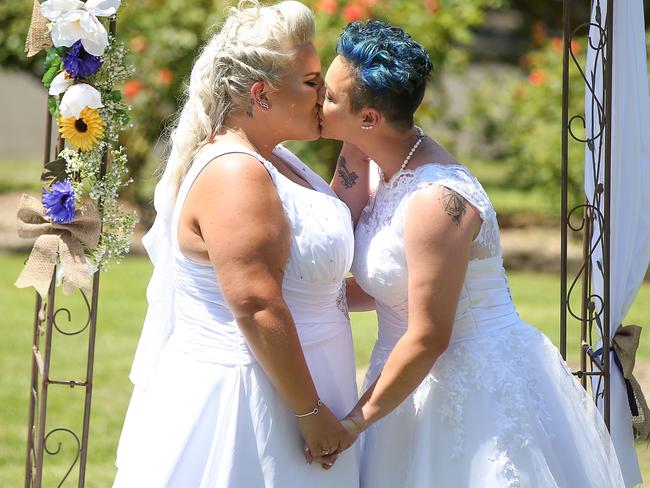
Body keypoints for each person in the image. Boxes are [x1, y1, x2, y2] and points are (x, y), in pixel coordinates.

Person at [321, 20, 626, 487]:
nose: (316, 103)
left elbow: (428, 337)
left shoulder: (437, 201)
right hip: (403, 380)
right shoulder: (381, 162)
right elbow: (339, 241)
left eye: (328, 97)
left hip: (463, 385)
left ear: (370, 117)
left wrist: (353, 423)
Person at [113, 2, 358, 486]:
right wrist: (309, 413)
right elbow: (255, 302)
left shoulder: (280, 159)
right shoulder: (236, 171)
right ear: (261, 93)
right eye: (311, 83)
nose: (323, 94)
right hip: (255, 403)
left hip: (307, 382)